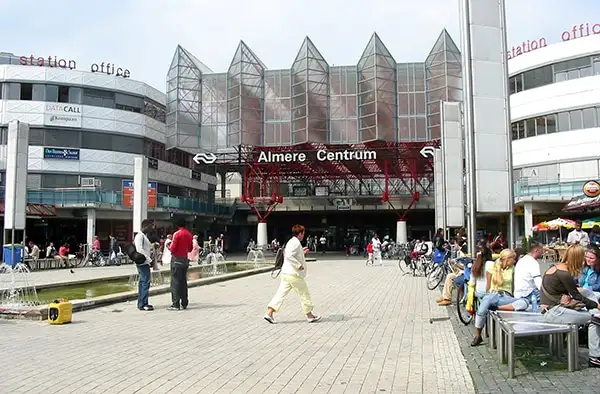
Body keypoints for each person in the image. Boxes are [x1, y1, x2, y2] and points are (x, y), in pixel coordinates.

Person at [540, 245, 600, 368]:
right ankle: (594, 357)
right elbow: (577, 296)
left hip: (553, 308)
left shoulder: (556, 267)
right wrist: (597, 305)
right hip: (553, 312)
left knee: (587, 293)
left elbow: (571, 294)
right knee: (595, 319)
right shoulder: (564, 273)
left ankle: (595, 312)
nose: (584, 261)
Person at [471, 249, 529, 346]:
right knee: (482, 309)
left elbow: (514, 285)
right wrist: (488, 295)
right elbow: (488, 287)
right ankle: (478, 336)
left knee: (525, 302)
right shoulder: (492, 267)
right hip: (493, 294)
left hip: (506, 296)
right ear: (507, 259)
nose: (514, 261)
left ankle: (496, 308)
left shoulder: (512, 268)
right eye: (513, 259)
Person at [264, 224, 321, 324]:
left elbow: (290, 254)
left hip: (286, 273)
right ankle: (309, 315)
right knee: (304, 294)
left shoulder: (292, 241)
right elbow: (289, 255)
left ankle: (269, 313)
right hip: (294, 274)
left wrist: (301, 252)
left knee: (280, 294)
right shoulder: (295, 243)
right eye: (303, 233)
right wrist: (298, 265)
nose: (303, 235)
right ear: (300, 234)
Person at [167, 218, 193, 311]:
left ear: (177, 226)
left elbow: (173, 249)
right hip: (185, 260)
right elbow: (190, 249)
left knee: (175, 282)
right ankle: (184, 302)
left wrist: (168, 246)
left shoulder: (177, 234)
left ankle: (176, 304)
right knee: (183, 282)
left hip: (176, 260)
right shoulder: (189, 234)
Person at [513, 241, 543, 312]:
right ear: (536, 250)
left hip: (518, 293)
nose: (543, 252)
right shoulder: (533, 262)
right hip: (528, 294)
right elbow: (539, 283)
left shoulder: (522, 260)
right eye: (542, 250)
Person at [134, 219, 155, 311]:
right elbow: (140, 250)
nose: (152, 228)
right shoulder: (140, 236)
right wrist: (149, 260)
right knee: (145, 282)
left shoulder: (143, 236)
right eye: (151, 226)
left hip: (144, 262)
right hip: (143, 262)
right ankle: (143, 303)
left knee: (143, 282)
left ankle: (141, 303)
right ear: (146, 226)